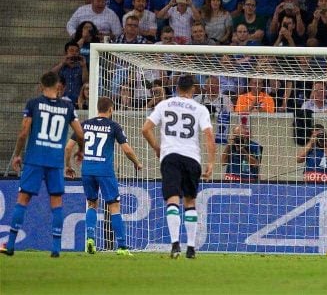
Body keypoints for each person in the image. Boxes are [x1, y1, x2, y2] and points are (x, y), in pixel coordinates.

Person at [0, 72, 84, 257]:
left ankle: (11, 245)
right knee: (57, 202)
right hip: (55, 161)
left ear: (41, 85)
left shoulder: (34, 104)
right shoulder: (68, 106)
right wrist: (81, 150)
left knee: (23, 200)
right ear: (58, 86)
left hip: (35, 159)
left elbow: (23, 133)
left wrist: (17, 155)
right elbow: (80, 133)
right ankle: (55, 248)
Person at [142, 75, 216, 259]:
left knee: (172, 199)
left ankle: (175, 244)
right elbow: (208, 136)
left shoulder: (164, 105)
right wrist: (211, 162)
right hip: (192, 157)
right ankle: (191, 247)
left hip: (171, 156)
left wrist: (157, 148)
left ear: (176, 88)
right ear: (192, 90)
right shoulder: (200, 109)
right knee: (190, 201)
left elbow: (145, 129)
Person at [64, 97, 142, 255]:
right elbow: (126, 150)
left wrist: (68, 166)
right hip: (105, 171)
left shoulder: (84, 125)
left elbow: (68, 148)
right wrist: (137, 162)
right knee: (114, 207)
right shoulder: (113, 126)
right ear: (111, 109)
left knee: (92, 204)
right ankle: (121, 247)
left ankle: (91, 238)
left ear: (97, 108)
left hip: (87, 170)